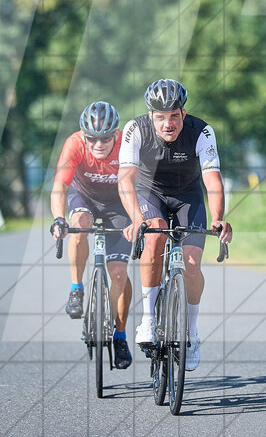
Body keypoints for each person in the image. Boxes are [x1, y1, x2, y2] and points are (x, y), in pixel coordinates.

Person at [118, 79, 233, 371]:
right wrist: (135, 218)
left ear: (183, 113)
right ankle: (148, 319)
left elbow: (212, 180)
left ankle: (192, 334)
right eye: (160, 117)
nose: (167, 123)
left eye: (174, 116)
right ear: (151, 116)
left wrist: (218, 217)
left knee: (192, 264)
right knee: (155, 235)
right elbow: (126, 180)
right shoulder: (136, 129)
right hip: (149, 192)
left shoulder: (202, 132)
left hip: (187, 195)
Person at [49, 101, 134, 369]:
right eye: (92, 139)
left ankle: (119, 335)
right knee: (80, 223)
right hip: (84, 196)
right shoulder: (74, 144)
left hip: (119, 203)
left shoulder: (128, 145)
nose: (99, 144)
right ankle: (76, 289)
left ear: (116, 134)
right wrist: (59, 219)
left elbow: (140, 185)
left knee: (119, 273)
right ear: (84, 136)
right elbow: (59, 187)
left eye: (106, 138)